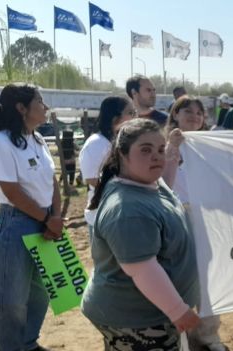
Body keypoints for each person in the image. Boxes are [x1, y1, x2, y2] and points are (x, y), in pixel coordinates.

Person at [81, 118, 200, 350]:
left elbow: (165, 183)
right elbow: (143, 269)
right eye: (145, 150)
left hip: (149, 313)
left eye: (159, 149)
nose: (156, 156)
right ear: (122, 154)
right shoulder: (127, 209)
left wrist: (172, 150)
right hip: (137, 322)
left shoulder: (146, 183)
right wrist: (178, 310)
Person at [0, 83, 63, 351]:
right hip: (15, 223)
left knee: (40, 292)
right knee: (12, 299)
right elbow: (11, 191)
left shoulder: (38, 140)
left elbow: (51, 182)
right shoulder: (0, 142)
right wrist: (47, 218)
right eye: (40, 101)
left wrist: (56, 216)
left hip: (44, 222)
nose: (46, 107)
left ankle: (27, 343)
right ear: (21, 108)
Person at [162, 96, 226, 351]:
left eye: (200, 112)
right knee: (179, 278)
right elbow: (163, 184)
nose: (195, 116)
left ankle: (209, 334)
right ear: (175, 114)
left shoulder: (210, 145)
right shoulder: (162, 143)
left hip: (207, 217)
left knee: (209, 279)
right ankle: (182, 337)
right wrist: (172, 149)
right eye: (187, 110)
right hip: (177, 217)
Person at [78, 96, 136, 231]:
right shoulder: (97, 143)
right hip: (104, 217)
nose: (134, 118)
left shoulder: (119, 141)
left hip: (122, 212)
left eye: (135, 113)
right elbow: (93, 179)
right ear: (115, 117)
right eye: (130, 113)